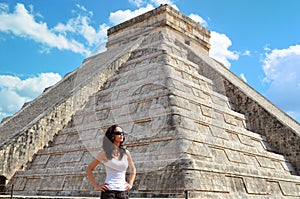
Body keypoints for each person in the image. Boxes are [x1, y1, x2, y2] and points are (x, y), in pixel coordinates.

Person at [86, 124, 136, 199]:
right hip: (109, 193)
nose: (121, 135)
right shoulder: (104, 153)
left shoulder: (126, 153)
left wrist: (130, 184)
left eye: (122, 133)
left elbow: (133, 169)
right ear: (112, 135)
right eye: (118, 133)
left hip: (123, 192)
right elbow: (89, 169)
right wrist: (96, 186)